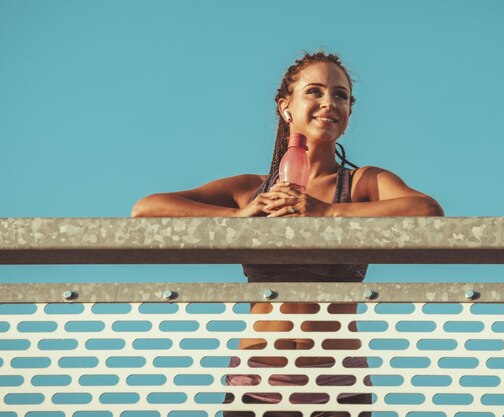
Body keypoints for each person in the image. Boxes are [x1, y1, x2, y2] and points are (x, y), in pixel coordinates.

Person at [132, 51, 443, 417]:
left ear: (349, 112)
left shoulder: (363, 183)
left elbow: (427, 210)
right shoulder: (251, 190)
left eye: (340, 95)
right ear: (286, 107)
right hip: (258, 380)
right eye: (314, 91)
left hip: (338, 382)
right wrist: (240, 215)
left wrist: (328, 212)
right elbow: (147, 208)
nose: (329, 102)